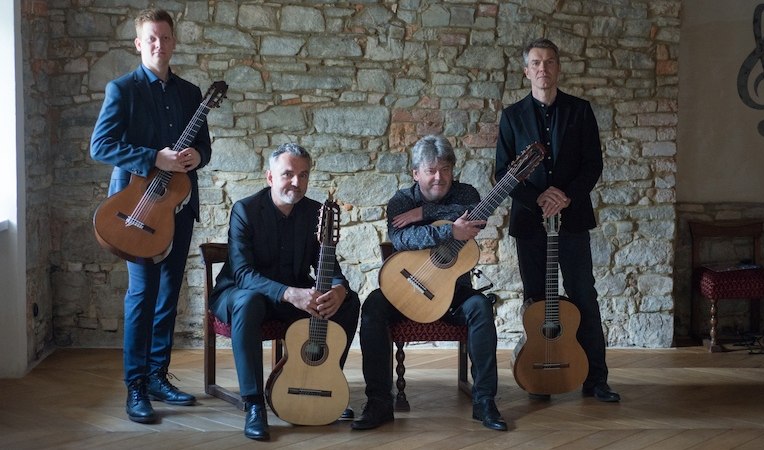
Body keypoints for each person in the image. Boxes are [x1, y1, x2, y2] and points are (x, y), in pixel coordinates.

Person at [90, 8, 212, 423]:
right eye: (151, 38)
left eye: (165, 37)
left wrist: (197, 156)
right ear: (138, 44)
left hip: (178, 208)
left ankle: (159, 376)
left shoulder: (191, 92)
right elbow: (100, 146)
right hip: (135, 209)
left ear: (174, 42)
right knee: (142, 296)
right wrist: (152, 157)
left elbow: (205, 150)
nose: (159, 44)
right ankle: (136, 386)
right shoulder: (121, 89)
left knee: (168, 297)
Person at [352, 134, 507, 432]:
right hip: (406, 287)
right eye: (430, 170)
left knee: (481, 309)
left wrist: (425, 213)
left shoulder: (466, 194)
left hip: (452, 293)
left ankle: (485, 400)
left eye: (445, 169)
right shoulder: (401, 200)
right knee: (372, 307)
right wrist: (449, 232)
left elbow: (479, 212)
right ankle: (379, 402)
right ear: (415, 173)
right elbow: (402, 239)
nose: (439, 177)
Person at [495, 38, 619, 402]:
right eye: (536, 62)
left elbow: (592, 164)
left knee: (584, 295)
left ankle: (596, 380)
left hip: (573, 218)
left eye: (549, 62)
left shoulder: (580, 111)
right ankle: (540, 375)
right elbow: (501, 172)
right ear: (526, 70)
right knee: (536, 299)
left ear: (558, 68)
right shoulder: (511, 116)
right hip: (529, 222)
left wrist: (564, 196)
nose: (543, 69)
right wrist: (537, 198)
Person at [209, 143, 360, 440]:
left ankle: (326, 382)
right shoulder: (246, 210)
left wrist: (340, 290)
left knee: (349, 301)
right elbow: (242, 274)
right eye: (288, 174)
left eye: (303, 175)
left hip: (292, 296)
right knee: (249, 302)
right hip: (239, 293)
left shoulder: (316, 212)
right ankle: (254, 405)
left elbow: (330, 270)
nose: (296, 182)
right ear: (270, 177)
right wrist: (291, 293)